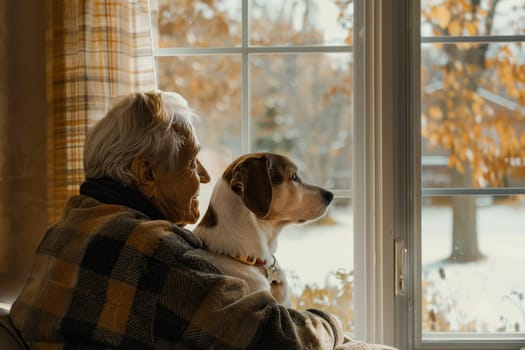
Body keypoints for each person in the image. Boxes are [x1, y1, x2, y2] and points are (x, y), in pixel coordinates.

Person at [9, 90, 353, 349]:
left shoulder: (62, 231)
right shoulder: (157, 255)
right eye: (190, 162)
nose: (204, 177)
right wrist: (331, 323)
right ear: (146, 174)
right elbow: (280, 340)